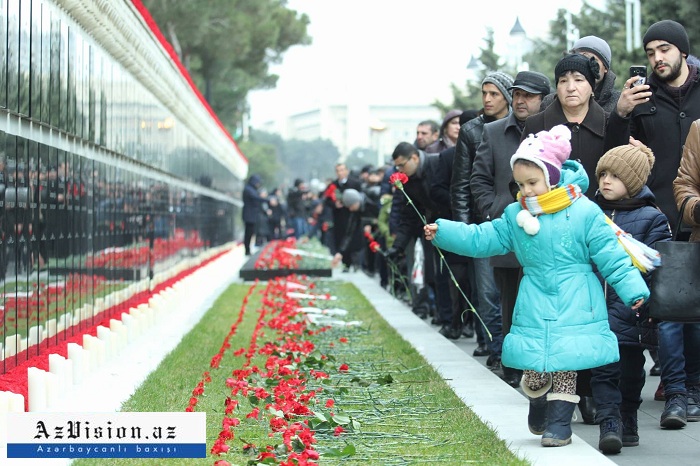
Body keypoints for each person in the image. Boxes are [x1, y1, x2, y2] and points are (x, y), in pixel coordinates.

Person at [424, 125, 649, 448]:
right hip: (534, 295)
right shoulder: (517, 215)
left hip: (577, 298)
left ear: (553, 177)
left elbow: (611, 255)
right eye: (520, 184)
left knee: (565, 365)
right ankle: (538, 399)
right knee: (536, 361)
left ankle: (559, 425)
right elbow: (484, 238)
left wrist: (634, 290)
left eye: (533, 183)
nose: (526, 191)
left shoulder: (584, 211)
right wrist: (445, 232)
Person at [605, 19, 700, 429]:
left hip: (694, 219)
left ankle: (687, 389)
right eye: (650, 52)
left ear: (682, 50)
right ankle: (678, 392)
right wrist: (621, 114)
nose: (657, 58)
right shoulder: (642, 100)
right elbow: (615, 159)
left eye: (664, 49)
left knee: (690, 316)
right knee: (670, 314)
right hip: (657, 220)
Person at [470, 70, 552, 387]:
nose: (520, 100)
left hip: (546, 232)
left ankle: (542, 366)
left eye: (528, 95)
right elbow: (477, 180)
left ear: (543, 99)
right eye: (517, 94)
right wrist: (493, 209)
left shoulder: (553, 132)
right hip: (508, 230)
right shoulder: (492, 133)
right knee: (510, 302)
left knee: (541, 300)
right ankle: (513, 364)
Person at [591, 144, 671, 453]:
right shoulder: (590, 213)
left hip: (631, 312)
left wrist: (649, 304)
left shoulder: (652, 218)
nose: (606, 181)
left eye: (615, 175)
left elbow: (657, 266)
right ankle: (609, 421)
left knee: (630, 372)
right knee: (603, 370)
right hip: (595, 310)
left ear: (635, 181)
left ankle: (627, 416)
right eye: (603, 174)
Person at [451, 71, 514, 360]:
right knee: (487, 293)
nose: (487, 99)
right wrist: (464, 231)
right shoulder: (471, 131)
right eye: (484, 93)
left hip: (517, 221)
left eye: (494, 94)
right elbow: (462, 184)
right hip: (483, 222)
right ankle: (497, 349)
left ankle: (513, 352)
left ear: (507, 96)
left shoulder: (522, 126)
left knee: (512, 292)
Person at [385, 142, 453, 329]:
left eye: (401, 165)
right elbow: (408, 216)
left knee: (456, 275)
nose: (399, 170)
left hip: (453, 224)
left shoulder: (437, 164)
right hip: (433, 229)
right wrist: (397, 246)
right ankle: (446, 319)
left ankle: (460, 321)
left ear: (414, 158)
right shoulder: (409, 180)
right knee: (436, 275)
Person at [541, 35, 621, 113]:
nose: (585, 65)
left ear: (605, 68)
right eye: (579, 59)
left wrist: (620, 114)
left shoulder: (620, 103)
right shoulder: (550, 102)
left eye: (592, 60)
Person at [241, 174, 266, 256]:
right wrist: (266, 199)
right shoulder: (249, 189)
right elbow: (256, 198)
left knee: (250, 233)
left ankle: (248, 249)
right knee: (248, 233)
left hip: (251, 215)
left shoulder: (251, 189)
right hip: (249, 215)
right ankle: (247, 250)